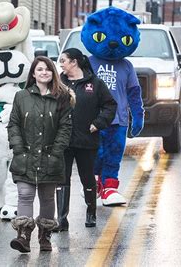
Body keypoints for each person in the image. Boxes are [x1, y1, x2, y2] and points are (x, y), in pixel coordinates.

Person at [7, 56, 74, 253]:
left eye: (47, 69)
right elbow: (14, 125)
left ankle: (45, 235)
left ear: (53, 73)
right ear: (33, 74)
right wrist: (18, 149)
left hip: (50, 157)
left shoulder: (61, 98)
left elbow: (65, 128)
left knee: (47, 197)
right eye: (39, 69)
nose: (44, 72)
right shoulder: (21, 96)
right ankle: (23, 237)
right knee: (25, 194)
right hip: (25, 156)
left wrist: (55, 153)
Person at [55, 48, 117, 231]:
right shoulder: (59, 83)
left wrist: (98, 123)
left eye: (64, 61)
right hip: (64, 139)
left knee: (87, 177)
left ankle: (91, 212)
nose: (61, 65)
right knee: (62, 178)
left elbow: (110, 105)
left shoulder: (95, 84)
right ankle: (62, 219)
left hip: (86, 139)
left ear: (74, 62)